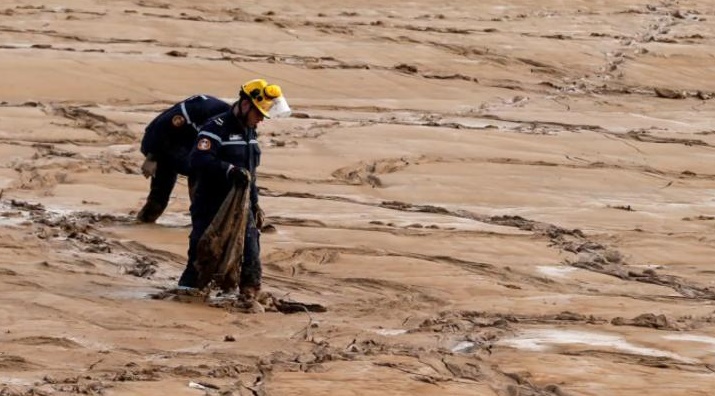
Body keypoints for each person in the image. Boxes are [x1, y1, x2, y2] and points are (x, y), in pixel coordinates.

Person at [178, 79, 291, 298]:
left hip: (242, 204)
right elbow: (198, 160)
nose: (261, 119)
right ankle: (188, 292)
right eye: (258, 113)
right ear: (246, 105)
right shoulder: (215, 127)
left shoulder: (250, 131)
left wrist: (255, 204)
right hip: (211, 203)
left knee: (251, 250)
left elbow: (251, 175)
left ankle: (250, 294)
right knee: (202, 251)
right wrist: (229, 170)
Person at [137, 95, 231, 223]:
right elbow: (161, 125)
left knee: (202, 188)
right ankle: (144, 223)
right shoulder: (201, 108)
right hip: (165, 144)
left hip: (191, 147)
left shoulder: (240, 126)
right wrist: (151, 156)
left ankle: (200, 222)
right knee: (159, 197)